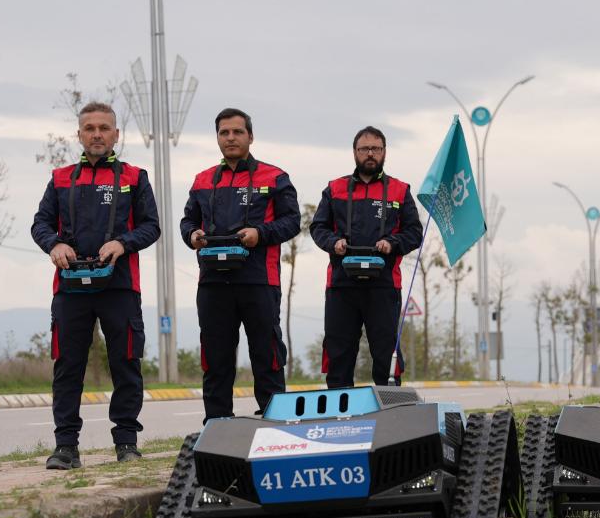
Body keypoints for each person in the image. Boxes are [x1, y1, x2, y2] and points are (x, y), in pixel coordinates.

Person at [30, 101, 160, 470]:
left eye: (104, 128)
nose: (97, 134)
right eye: (90, 128)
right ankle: (66, 447)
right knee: (68, 366)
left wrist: (123, 243)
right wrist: (54, 245)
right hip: (70, 288)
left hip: (119, 287)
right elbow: (40, 224)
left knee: (126, 364)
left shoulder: (135, 177)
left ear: (116, 135)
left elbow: (152, 226)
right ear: (80, 135)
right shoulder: (59, 178)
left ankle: (126, 443)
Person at [181, 108, 300, 420]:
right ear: (218, 137)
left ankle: (276, 424)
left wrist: (260, 234)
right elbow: (187, 220)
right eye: (224, 133)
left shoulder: (274, 177)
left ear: (250, 136)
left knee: (267, 356)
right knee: (216, 360)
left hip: (259, 282)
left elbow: (292, 222)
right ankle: (217, 427)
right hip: (213, 284)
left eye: (237, 132)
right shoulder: (203, 180)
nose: (230, 138)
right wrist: (191, 234)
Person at [310, 126, 423, 387]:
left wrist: (392, 243)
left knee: (386, 351)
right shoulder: (334, 189)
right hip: (341, 285)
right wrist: (333, 242)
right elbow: (318, 227)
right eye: (364, 149)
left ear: (384, 152)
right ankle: (340, 413)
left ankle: (391, 410)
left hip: (383, 286)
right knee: (339, 351)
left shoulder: (399, 190)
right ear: (354, 152)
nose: (370, 154)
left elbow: (414, 232)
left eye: (375, 149)